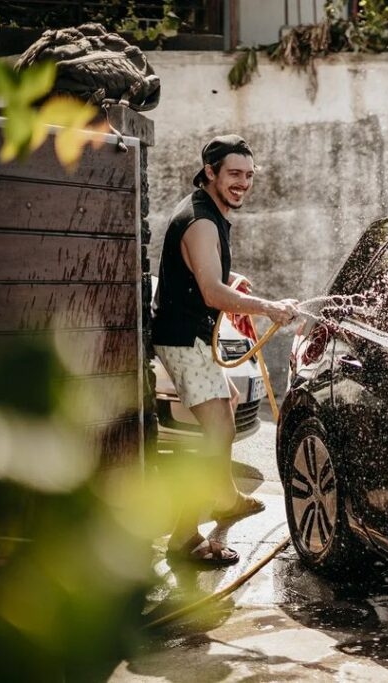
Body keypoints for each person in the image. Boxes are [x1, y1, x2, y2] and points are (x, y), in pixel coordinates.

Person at [151, 134, 299, 567]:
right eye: (234, 174)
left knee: (229, 405)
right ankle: (183, 539)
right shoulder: (200, 220)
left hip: (190, 335)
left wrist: (231, 280)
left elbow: (205, 274)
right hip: (183, 340)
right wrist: (269, 307)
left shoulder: (207, 210)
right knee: (217, 432)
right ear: (210, 171)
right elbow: (212, 293)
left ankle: (227, 498)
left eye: (249, 175)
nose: (243, 183)